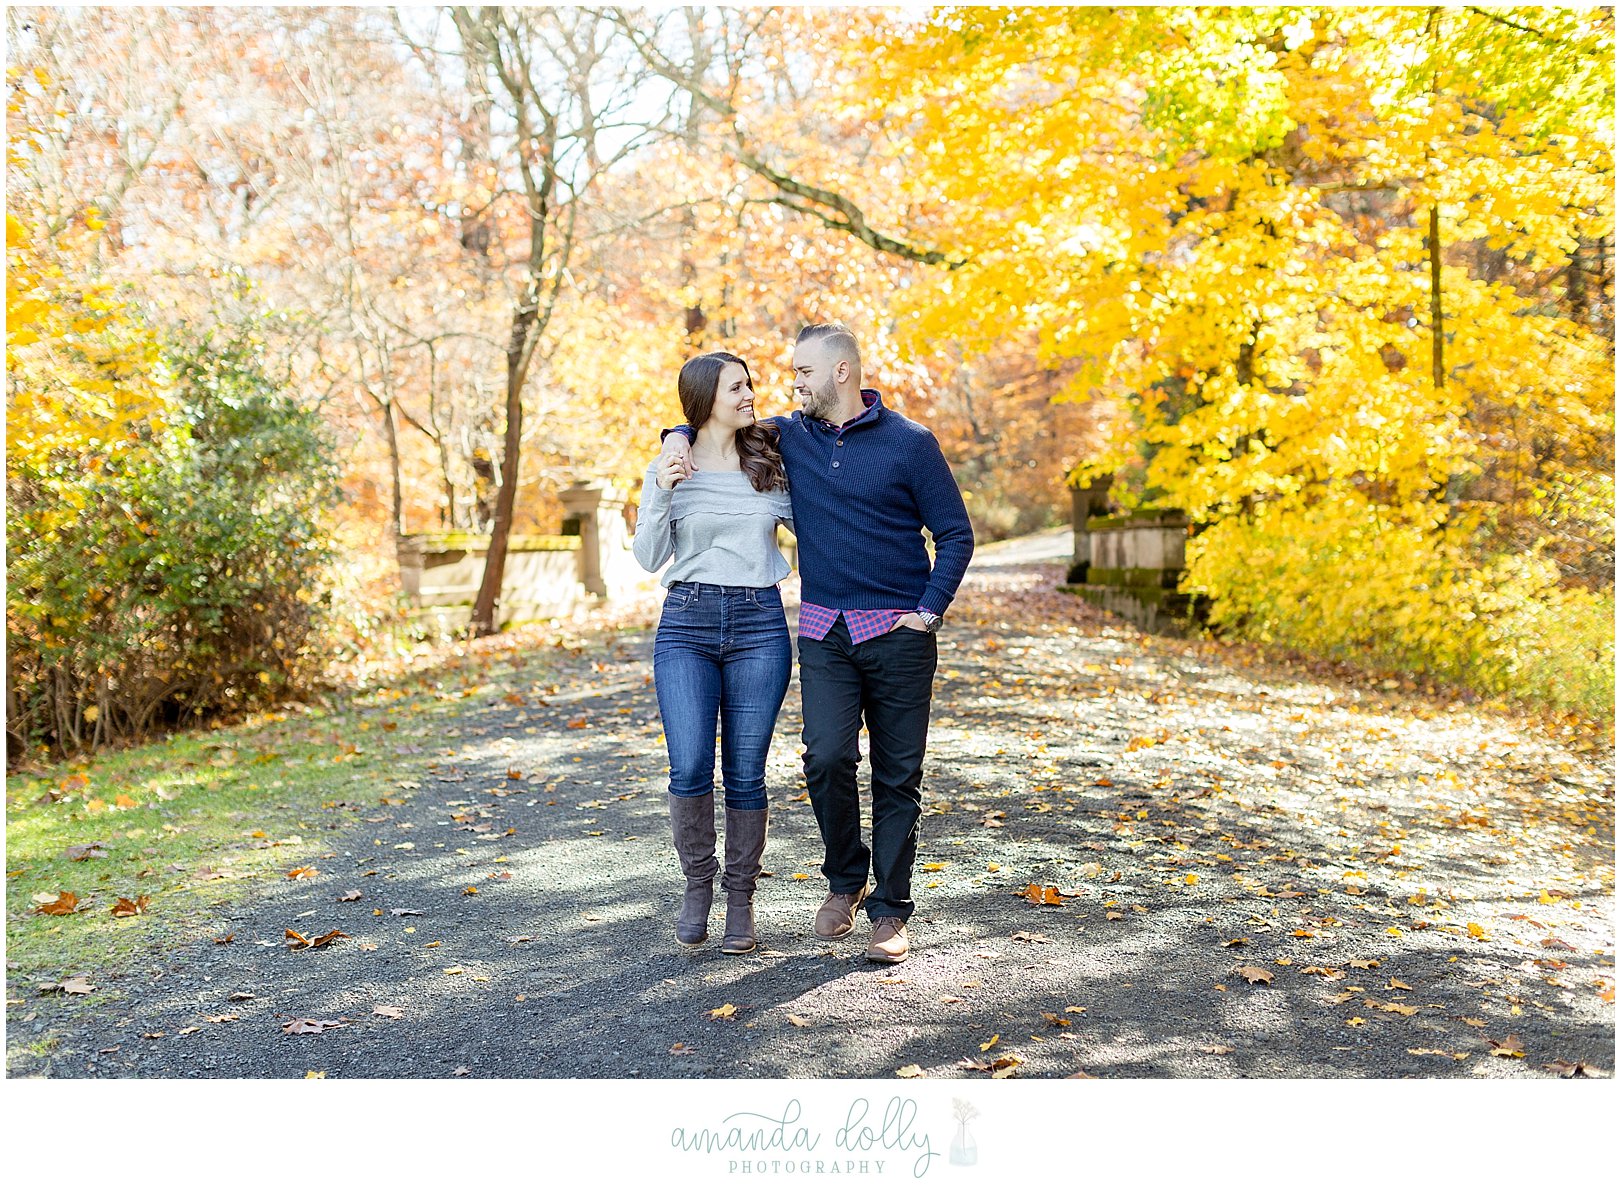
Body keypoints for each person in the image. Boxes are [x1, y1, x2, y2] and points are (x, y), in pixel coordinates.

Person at [659, 323, 974, 964]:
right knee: (826, 759)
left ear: (840, 372)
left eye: (802, 371)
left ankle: (889, 909)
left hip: (899, 634)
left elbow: (956, 534)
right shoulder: (788, 437)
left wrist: (927, 613)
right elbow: (716, 423)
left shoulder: (911, 444)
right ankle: (845, 877)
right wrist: (676, 435)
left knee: (898, 775)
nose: (791, 382)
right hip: (826, 632)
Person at [633, 351, 794, 955]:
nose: (750, 394)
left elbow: (818, 531)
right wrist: (659, 491)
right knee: (691, 766)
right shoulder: (671, 464)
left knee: (747, 772)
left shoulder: (770, 466)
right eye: (737, 387)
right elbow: (649, 558)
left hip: (759, 624)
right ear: (704, 400)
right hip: (686, 626)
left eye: (750, 384)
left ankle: (740, 897)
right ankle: (697, 887)